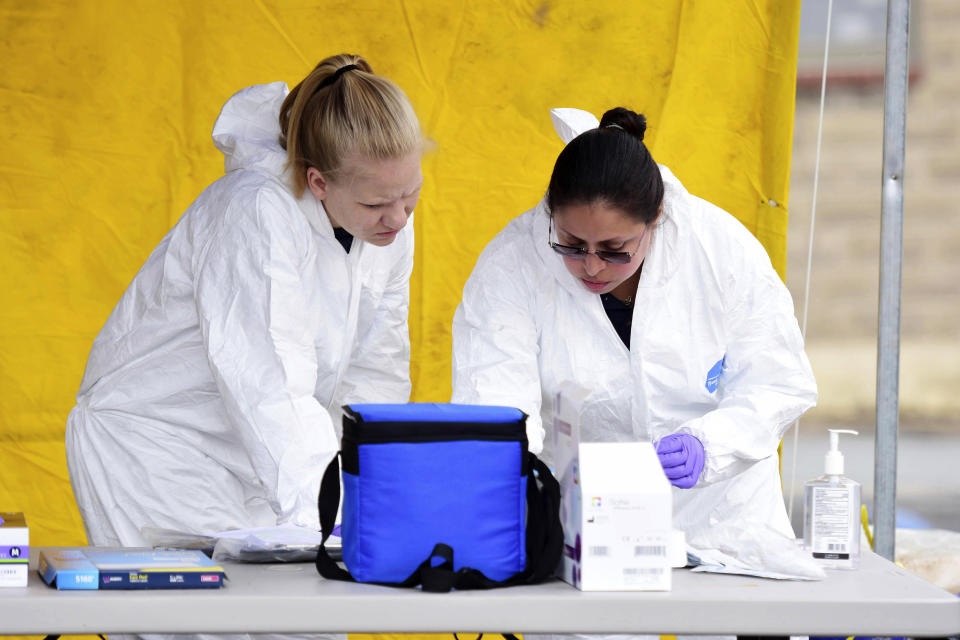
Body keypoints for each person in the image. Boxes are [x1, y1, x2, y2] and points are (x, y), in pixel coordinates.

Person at [66, 53, 424, 551]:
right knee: (218, 623)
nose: (398, 218)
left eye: (411, 196)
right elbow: (268, 379)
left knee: (310, 620)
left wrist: (373, 495)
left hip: (258, 459)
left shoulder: (388, 229)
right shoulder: (253, 211)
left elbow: (375, 375)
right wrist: (333, 517)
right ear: (318, 181)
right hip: (157, 452)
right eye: (376, 204)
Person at [452, 106, 818, 569]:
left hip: (721, 514)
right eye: (570, 243)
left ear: (656, 217)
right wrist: (517, 490)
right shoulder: (512, 265)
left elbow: (777, 381)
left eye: (614, 250)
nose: (590, 266)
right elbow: (496, 404)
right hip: (586, 519)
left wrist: (713, 444)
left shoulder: (718, 248)